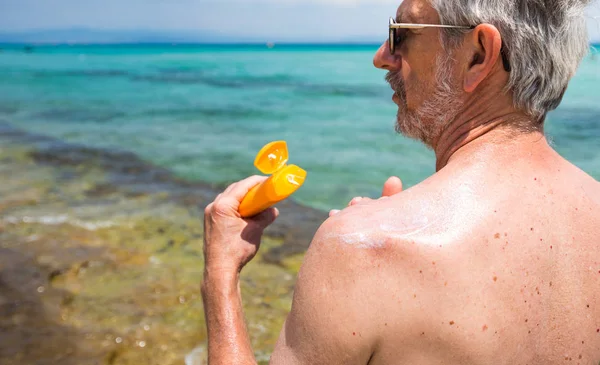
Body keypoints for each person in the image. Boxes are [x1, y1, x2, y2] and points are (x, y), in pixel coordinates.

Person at [202, 0, 600, 363]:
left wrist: (220, 278)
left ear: (478, 54)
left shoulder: (360, 249)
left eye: (401, 34)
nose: (382, 57)